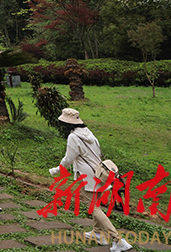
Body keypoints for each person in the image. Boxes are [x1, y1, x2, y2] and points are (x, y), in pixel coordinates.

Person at [50, 108, 132, 252]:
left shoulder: (73, 137)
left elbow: (69, 159)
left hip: (87, 175)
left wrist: (57, 170)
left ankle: (118, 240)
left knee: (93, 207)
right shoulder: (88, 133)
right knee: (97, 204)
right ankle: (98, 233)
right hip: (99, 173)